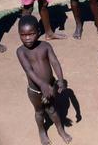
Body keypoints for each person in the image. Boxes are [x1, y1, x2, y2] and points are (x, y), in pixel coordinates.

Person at [16, 15, 72, 145]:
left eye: (31, 34)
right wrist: (42, 85)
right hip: (35, 90)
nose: (27, 38)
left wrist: (61, 79)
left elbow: (55, 62)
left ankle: (60, 130)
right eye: (23, 35)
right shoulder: (21, 51)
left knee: (52, 109)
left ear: (39, 32)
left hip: (49, 86)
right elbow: (28, 70)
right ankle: (42, 131)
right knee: (39, 112)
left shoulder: (45, 46)